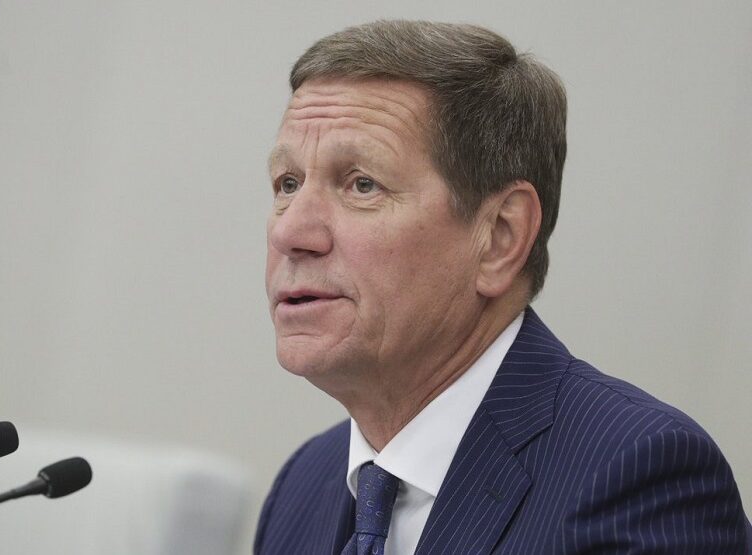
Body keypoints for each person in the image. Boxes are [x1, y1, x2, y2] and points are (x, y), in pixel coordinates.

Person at [254, 20, 750, 554]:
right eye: (288, 184)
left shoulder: (639, 479)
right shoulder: (302, 485)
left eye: (362, 184)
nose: (289, 232)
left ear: (499, 238)